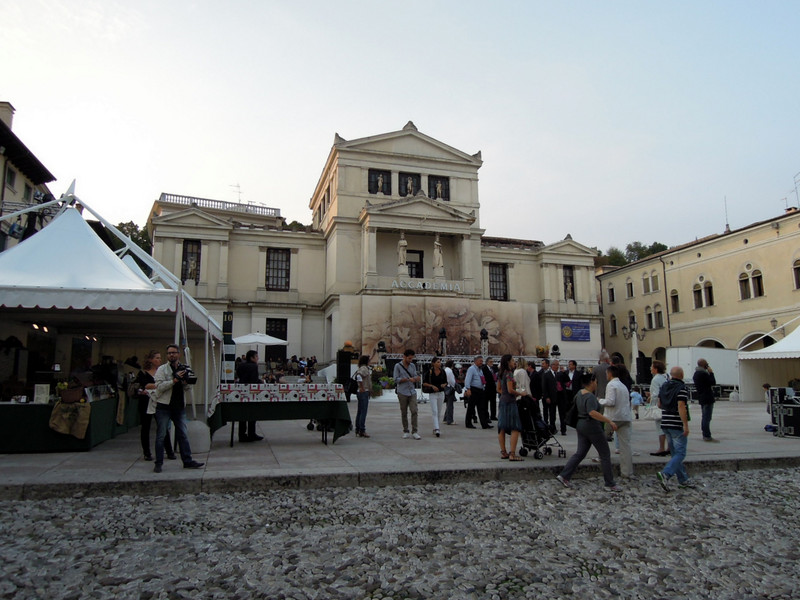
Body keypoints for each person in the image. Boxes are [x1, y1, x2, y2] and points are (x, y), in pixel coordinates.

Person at [556, 373, 621, 492]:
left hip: (580, 425)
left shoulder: (579, 394)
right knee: (605, 454)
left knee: (580, 453)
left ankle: (564, 475)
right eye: (595, 381)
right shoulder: (590, 397)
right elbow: (592, 412)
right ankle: (610, 483)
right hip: (592, 426)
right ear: (591, 382)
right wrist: (609, 421)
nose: (596, 383)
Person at [152, 344, 204, 473]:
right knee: (161, 435)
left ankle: (187, 460)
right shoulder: (162, 369)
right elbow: (159, 387)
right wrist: (174, 380)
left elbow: (188, 387)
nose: (171, 355)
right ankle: (158, 463)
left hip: (179, 406)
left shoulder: (184, 368)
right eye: (169, 353)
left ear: (179, 354)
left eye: (174, 352)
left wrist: (185, 382)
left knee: (183, 435)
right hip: (164, 406)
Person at [132, 350, 174, 461]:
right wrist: (159, 385)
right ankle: (147, 452)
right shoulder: (143, 373)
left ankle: (169, 451)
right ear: (150, 360)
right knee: (145, 427)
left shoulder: (162, 371)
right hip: (146, 402)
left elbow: (167, 383)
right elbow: (145, 385)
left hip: (159, 401)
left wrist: (159, 385)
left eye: (160, 358)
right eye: (156, 358)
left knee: (163, 426)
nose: (159, 360)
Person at [656, 366, 693, 490]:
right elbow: (681, 406)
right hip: (676, 423)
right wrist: (685, 425)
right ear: (681, 375)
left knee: (674, 453)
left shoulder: (664, 386)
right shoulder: (681, 388)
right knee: (680, 453)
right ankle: (666, 474)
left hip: (665, 422)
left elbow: (659, 404)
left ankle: (683, 479)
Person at [599, 364, 634, 478]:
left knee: (602, 440)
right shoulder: (623, 385)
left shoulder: (611, 385)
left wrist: (599, 400)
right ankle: (627, 471)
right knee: (625, 446)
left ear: (609, 374)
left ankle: (603, 461)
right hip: (625, 417)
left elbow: (610, 401)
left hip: (613, 417)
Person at [497, 354, 524, 461]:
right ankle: (512, 453)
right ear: (508, 362)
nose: (514, 362)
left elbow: (498, 388)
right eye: (513, 360)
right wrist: (520, 393)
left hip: (503, 401)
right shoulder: (509, 374)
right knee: (515, 427)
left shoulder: (501, 373)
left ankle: (503, 452)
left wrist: (504, 394)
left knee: (502, 427)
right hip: (510, 402)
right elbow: (510, 390)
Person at [236, 350, 263, 443]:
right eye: (256, 356)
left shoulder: (241, 365)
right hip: (251, 393)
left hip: (241, 392)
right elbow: (254, 380)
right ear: (252, 358)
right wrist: (261, 382)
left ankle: (242, 435)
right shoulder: (253, 366)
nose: (258, 358)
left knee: (242, 415)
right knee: (252, 413)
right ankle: (251, 433)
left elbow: (239, 375)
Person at [393, 349, 421, 439]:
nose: (410, 360)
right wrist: (405, 379)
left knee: (414, 410)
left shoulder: (412, 366)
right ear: (404, 357)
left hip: (412, 391)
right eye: (409, 358)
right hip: (402, 391)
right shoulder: (398, 366)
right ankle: (406, 430)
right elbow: (395, 379)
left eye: (412, 358)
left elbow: (415, 375)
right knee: (404, 411)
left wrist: (416, 379)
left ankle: (415, 431)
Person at [693, 358, 718, 442]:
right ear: (705, 365)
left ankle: (705, 434)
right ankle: (707, 435)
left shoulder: (696, 373)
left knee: (704, 417)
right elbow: (713, 382)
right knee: (707, 417)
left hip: (701, 397)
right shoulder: (703, 374)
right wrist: (711, 373)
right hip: (707, 398)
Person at [648, 361, 670, 456]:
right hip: (666, 404)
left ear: (656, 369)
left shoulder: (655, 379)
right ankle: (669, 447)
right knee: (667, 427)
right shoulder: (665, 377)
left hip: (659, 405)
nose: (650, 368)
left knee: (660, 427)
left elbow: (656, 393)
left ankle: (661, 448)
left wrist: (651, 398)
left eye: (652, 367)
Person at [464, 356, 491, 429]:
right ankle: (468, 423)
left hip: (480, 390)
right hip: (474, 390)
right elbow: (467, 379)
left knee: (482, 407)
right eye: (480, 361)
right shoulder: (471, 369)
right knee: (471, 407)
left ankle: (484, 424)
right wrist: (468, 389)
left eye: (482, 361)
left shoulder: (480, 370)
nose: (481, 362)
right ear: (475, 361)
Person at [423, 357, 447, 437]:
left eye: (440, 362)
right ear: (433, 363)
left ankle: (436, 427)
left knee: (439, 411)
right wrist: (432, 386)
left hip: (441, 393)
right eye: (437, 362)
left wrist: (444, 385)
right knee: (435, 411)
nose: (439, 364)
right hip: (433, 394)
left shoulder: (442, 372)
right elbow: (424, 383)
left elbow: (446, 382)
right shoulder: (429, 372)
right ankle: (437, 428)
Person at [354, 355, 371, 438]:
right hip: (363, 391)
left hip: (361, 392)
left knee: (360, 411)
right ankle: (362, 429)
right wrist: (362, 387)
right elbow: (358, 376)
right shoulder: (364, 368)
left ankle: (358, 429)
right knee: (363, 411)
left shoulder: (361, 367)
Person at [542, 359, 560, 433]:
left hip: (555, 397)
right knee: (547, 412)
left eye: (558, 365)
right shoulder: (546, 375)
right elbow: (544, 387)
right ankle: (546, 426)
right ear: (552, 365)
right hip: (549, 397)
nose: (557, 366)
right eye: (556, 365)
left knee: (553, 413)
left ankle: (552, 426)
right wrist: (546, 397)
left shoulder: (558, 374)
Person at [443, 360, 458, 425]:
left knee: (448, 404)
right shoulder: (449, 371)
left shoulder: (445, 370)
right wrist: (455, 386)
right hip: (450, 387)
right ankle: (450, 420)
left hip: (446, 387)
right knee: (450, 405)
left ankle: (445, 418)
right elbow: (451, 380)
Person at [483, 357, 498, 423]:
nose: (492, 363)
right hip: (487, 388)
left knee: (493, 402)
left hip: (493, 388)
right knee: (486, 403)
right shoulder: (484, 369)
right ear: (487, 362)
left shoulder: (493, 369)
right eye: (490, 362)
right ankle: (486, 416)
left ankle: (493, 415)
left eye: (492, 362)